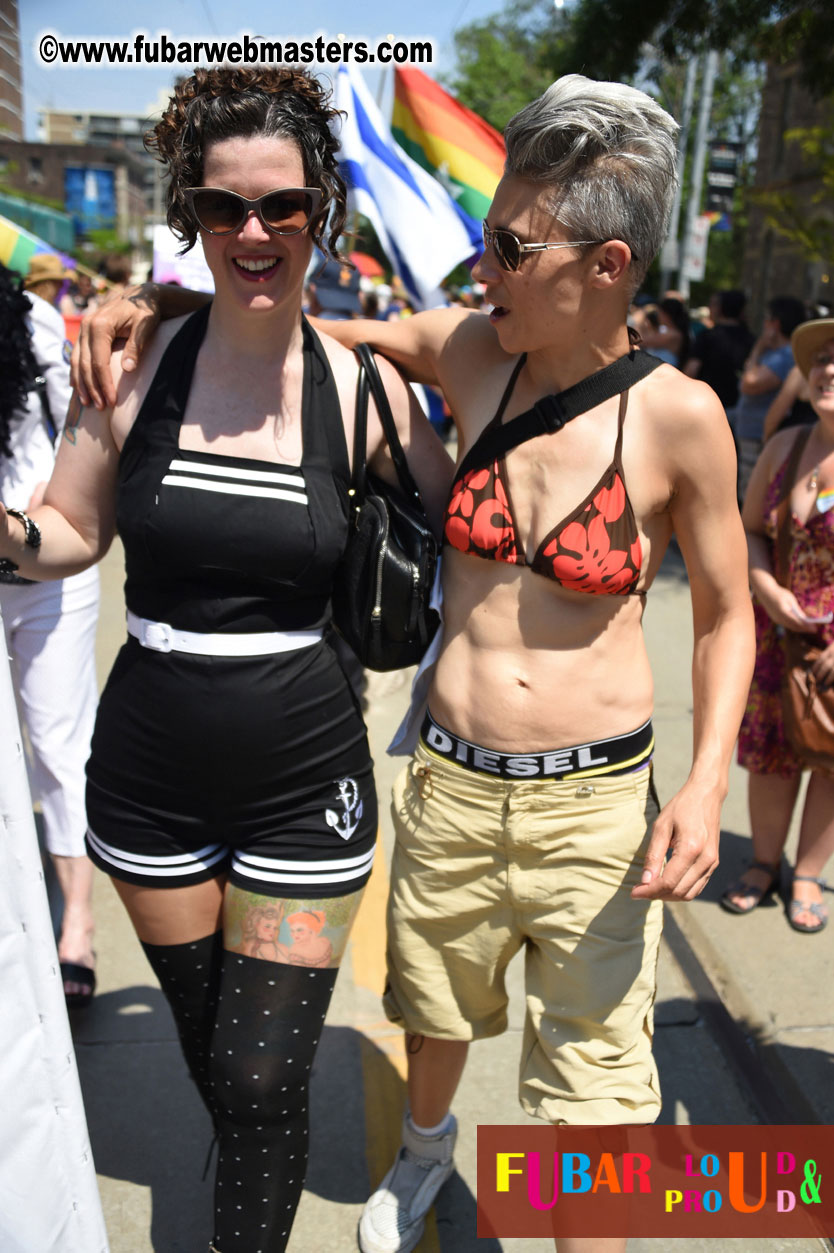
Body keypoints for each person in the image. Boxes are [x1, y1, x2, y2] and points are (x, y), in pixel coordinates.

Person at [73, 73, 754, 1253]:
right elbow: (281, 322)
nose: (481, 268)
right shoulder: (467, 353)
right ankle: (427, 1151)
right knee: (435, 1014)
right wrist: (145, 298)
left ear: (609, 265)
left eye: (510, 247)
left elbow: (727, 614)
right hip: (448, 786)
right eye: (489, 237)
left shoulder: (680, 416)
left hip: (595, 808)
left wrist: (704, 786)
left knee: (595, 1086)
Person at [2, 66, 451, 1253]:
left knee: (258, 1075)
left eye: (282, 205)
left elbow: (479, 524)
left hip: (308, 778)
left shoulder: (365, 391)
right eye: (223, 206)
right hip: (147, 777)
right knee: (224, 1064)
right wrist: (8, 533)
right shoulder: (135, 361)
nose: (254, 232)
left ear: (322, 210)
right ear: (190, 215)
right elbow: (72, 528)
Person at [0, 259, 100, 1007]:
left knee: (61, 748)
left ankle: (78, 925)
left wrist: (55, 496)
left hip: (46, 562)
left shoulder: (29, 319)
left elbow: (82, 423)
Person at [722, 316, 834, 934]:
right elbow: (750, 531)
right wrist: (766, 589)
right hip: (776, 633)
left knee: (831, 760)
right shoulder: (785, 446)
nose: (828, 370)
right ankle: (765, 863)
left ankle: (808, 874)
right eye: (823, 359)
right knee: (770, 755)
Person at [734, 296, 807, 499]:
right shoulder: (777, 353)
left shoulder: (786, 354)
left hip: (759, 438)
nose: (764, 324)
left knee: (751, 495)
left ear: (776, 323)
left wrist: (758, 348)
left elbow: (749, 383)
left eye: (767, 319)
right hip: (754, 435)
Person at [683, 288, 754, 413]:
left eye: (712, 304)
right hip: (738, 406)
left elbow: (692, 370)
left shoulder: (707, 336)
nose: (709, 308)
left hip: (706, 404)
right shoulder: (751, 339)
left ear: (720, 308)